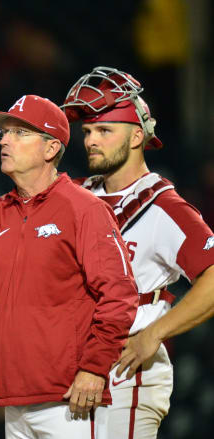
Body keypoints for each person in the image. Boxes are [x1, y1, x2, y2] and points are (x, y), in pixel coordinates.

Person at [0, 95, 139, 438]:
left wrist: (94, 368)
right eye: (3, 133)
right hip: (13, 398)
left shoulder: (84, 209)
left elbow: (120, 294)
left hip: (70, 397)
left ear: (50, 149)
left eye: (19, 133)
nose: (4, 140)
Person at [62, 66, 214, 438]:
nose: (91, 141)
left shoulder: (165, 207)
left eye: (104, 130)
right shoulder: (74, 194)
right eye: (87, 132)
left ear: (136, 137)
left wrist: (155, 334)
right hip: (71, 369)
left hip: (128, 373)